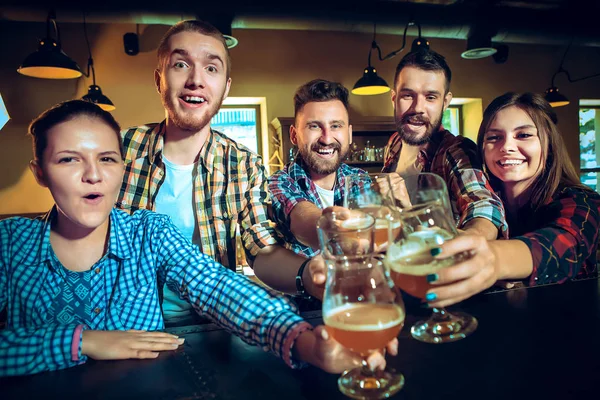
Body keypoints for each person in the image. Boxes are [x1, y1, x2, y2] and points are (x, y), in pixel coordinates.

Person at [0, 100, 396, 377]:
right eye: (69, 159)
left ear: (122, 166)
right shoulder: (10, 243)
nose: (93, 175)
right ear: (39, 172)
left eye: (106, 159)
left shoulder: (147, 231)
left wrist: (303, 341)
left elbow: (218, 286)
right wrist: (80, 342)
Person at [117, 20, 325, 322]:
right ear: (159, 78)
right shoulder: (118, 149)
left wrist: (307, 274)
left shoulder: (243, 164)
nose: (196, 80)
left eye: (211, 68)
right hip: (123, 329)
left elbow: (262, 248)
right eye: (180, 65)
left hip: (209, 329)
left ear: (226, 87)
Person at [423, 92, 600, 308]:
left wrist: (493, 259)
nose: (506, 147)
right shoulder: (484, 202)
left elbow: (564, 245)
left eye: (523, 135)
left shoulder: (584, 203)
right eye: (494, 137)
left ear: (549, 144)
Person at [382, 50, 507, 240]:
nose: (417, 108)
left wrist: (472, 237)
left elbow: (483, 205)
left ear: (445, 102)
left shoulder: (456, 151)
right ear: (394, 98)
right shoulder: (394, 143)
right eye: (408, 95)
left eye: (430, 97)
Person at [269, 79, 366, 258]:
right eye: (314, 126)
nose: (327, 139)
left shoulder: (361, 179)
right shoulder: (279, 183)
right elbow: (302, 217)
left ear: (349, 134)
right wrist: (333, 230)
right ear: (293, 135)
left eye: (336, 126)